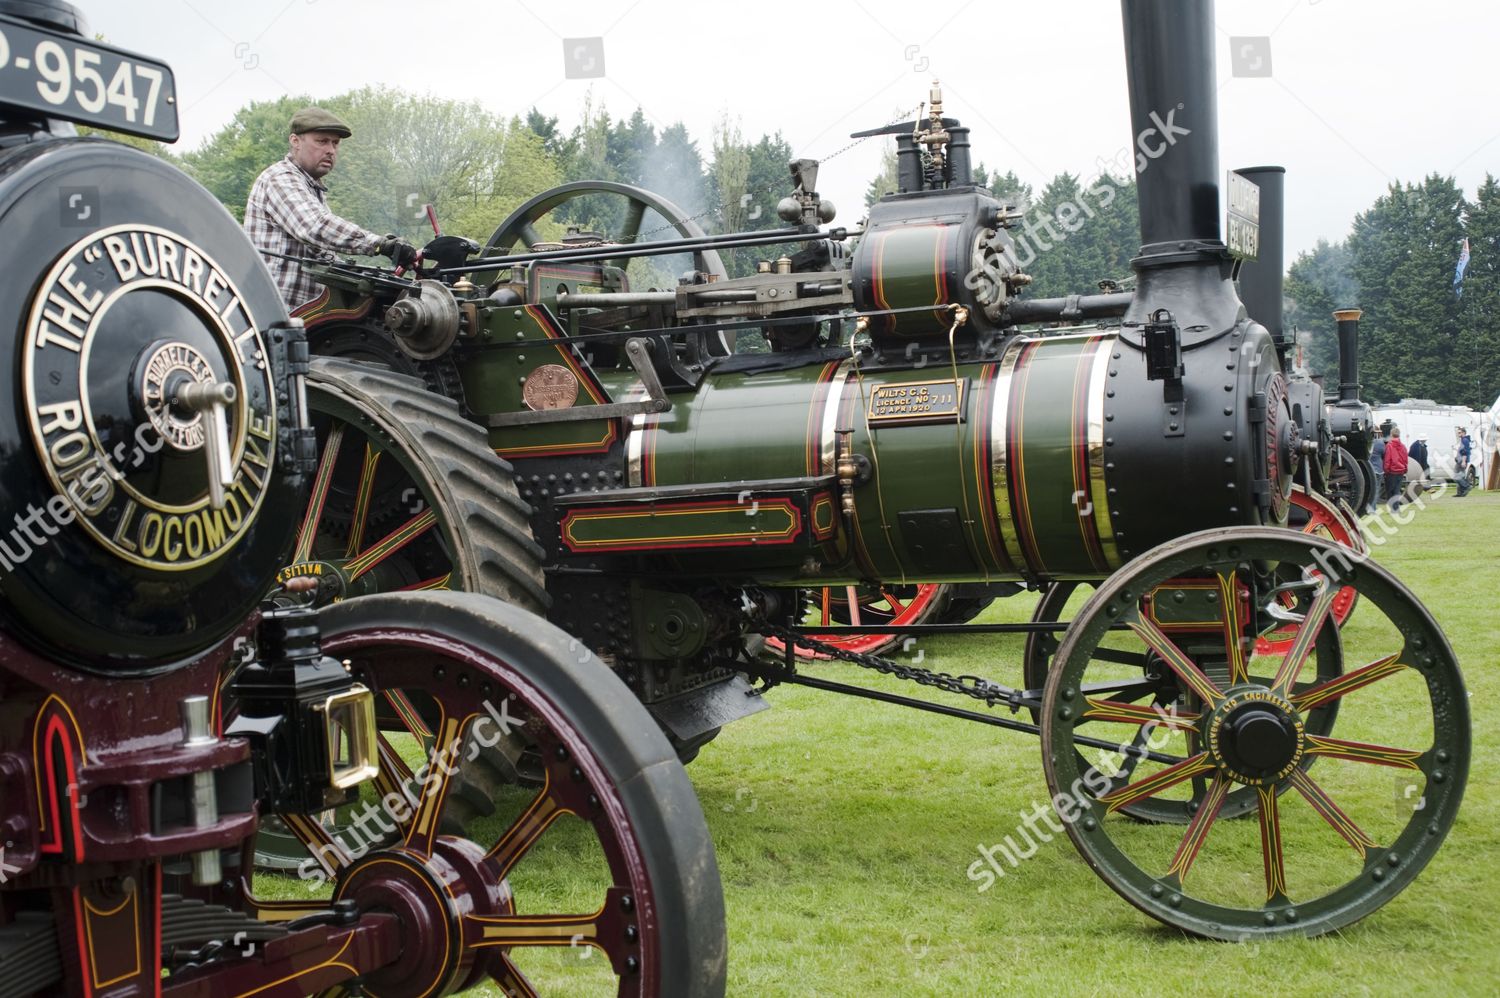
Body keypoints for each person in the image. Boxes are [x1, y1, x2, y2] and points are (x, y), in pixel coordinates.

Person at [244, 107, 417, 309]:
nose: (330, 150)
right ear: (295, 141)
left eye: (335, 143)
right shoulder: (280, 179)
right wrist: (379, 244)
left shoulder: (311, 188)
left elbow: (323, 256)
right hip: (273, 316)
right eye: (322, 141)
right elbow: (315, 227)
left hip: (303, 319)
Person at [1383, 425, 1409, 511]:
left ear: (1391, 434)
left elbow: (1387, 459)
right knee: (1397, 490)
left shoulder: (1389, 446)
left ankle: (1393, 508)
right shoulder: (1403, 446)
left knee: (1390, 491)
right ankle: (1396, 508)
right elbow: (1405, 459)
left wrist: (1386, 470)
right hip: (1400, 471)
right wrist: (1405, 468)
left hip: (1391, 471)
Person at [1368, 424, 1388, 513]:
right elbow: (1384, 455)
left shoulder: (1367, 441)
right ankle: (1372, 509)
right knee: (1376, 490)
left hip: (1368, 468)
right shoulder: (1380, 443)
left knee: (1369, 490)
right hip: (1378, 469)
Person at [1407, 434, 1428, 499]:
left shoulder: (1423, 446)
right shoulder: (1415, 446)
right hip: (1416, 466)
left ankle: (1426, 488)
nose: (1425, 440)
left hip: (1422, 465)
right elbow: (1414, 458)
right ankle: (1426, 488)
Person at [1455, 428, 1474, 497]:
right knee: (1461, 477)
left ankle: (1467, 486)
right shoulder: (1464, 440)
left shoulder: (1465, 440)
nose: (1458, 434)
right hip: (1460, 461)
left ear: (1463, 433)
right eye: (1458, 432)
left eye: (1459, 432)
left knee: (1456, 476)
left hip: (1462, 462)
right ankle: (1460, 493)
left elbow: (1464, 452)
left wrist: (1463, 461)